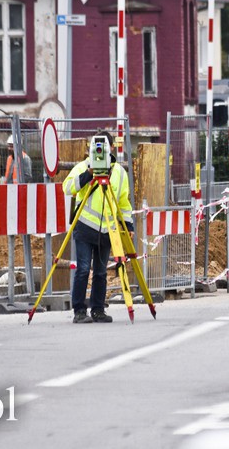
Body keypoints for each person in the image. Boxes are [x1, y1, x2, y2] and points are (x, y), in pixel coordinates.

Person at [63, 131, 133, 324]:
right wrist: (88, 174)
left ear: (111, 148)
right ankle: (79, 310)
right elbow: (67, 187)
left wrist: (128, 224)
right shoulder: (83, 167)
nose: (101, 150)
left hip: (106, 230)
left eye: (104, 146)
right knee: (84, 269)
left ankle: (98, 310)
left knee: (101, 272)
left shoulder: (118, 172)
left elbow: (124, 202)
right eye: (97, 146)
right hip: (85, 227)